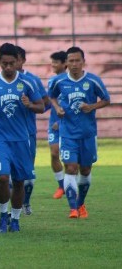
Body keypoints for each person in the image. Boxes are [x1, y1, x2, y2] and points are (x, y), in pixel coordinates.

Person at [0, 43, 44, 233]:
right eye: (4, 63)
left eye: (11, 63)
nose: (8, 67)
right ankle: (2, 215)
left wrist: (29, 104)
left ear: (18, 62)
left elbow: (41, 106)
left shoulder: (27, 83)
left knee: (19, 181)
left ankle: (15, 219)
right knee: (2, 177)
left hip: (22, 139)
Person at [48, 46, 110, 219]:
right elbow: (51, 96)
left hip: (88, 134)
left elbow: (106, 100)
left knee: (85, 170)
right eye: (71, 61)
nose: (74, 64)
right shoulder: (59, 82)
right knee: (71, 167)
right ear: (66, 63)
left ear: (83, 62)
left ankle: (81, 203)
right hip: (67, 133)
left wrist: (91, 106)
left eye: (77, 60)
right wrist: (58, 108)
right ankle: (72, 208)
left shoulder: (93, 81)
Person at [15, 45, 49, 215]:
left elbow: (45, 102)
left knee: (27, 170)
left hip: (28, 132)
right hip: (5, 134)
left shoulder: (32, 80)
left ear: (22, 60)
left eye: (16, 60)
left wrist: (32, 106)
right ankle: (13, 206)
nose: (12, 64)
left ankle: (25, 203)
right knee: (9, 171)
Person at [47, 51, 67, 199]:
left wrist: (60, 122)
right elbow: (49, 103)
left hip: (68, 125)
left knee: (69, 158)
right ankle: (61, 186)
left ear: (64, 63)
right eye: (52, 62)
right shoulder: (52, 81)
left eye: (56, 62)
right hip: (53, 125)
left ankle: (71, 183)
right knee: (54, 154)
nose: (53, 65)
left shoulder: (70, 81)